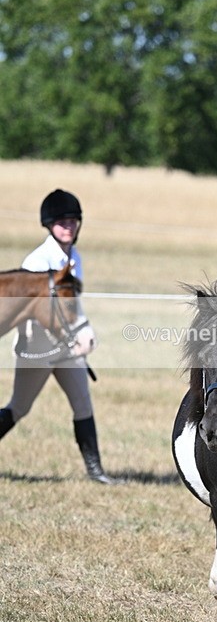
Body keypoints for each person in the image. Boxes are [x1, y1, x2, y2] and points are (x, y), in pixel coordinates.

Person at [0, 188, 117, 485]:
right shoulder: (37, 261)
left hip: (67, 350)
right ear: (50, 225)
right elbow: (22, 308)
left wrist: (78, 335)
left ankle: (96, 472)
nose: (68, 226)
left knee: (83, 404)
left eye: (73, 220)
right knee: (19, 408)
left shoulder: (74, 257)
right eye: (62, 221)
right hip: (37, 350)